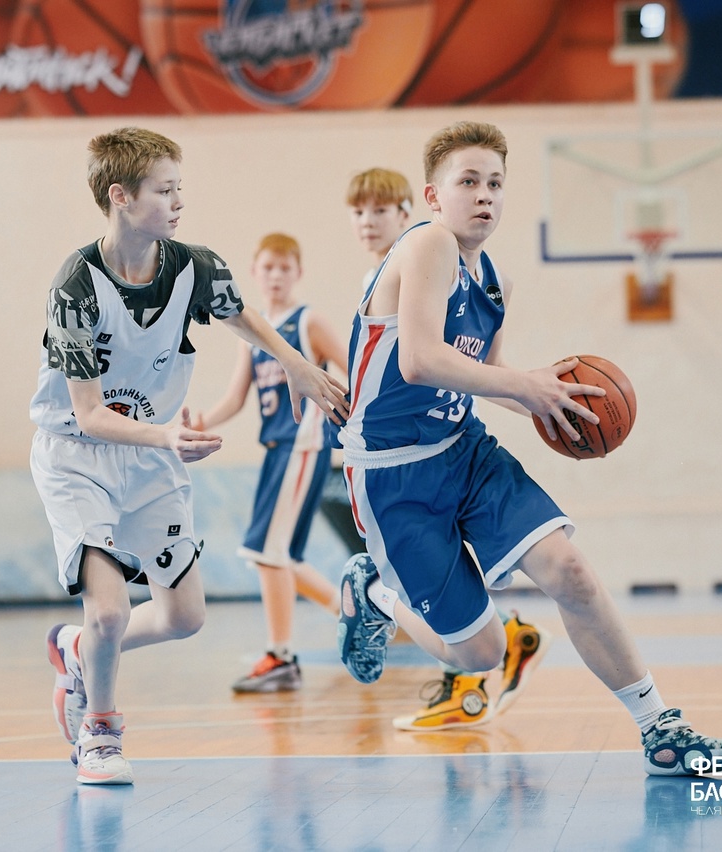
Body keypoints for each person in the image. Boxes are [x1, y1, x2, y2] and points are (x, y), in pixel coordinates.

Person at [335, 121, 722, 775]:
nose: (485, 195)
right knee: (481, 655)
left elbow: (486, 375)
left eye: (496, 183)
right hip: (393, 475)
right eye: (468, 181)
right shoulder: (428, 244)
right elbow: (419, 360)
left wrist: (548, 400)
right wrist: (523, 384)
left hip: (464, 451)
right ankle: (376, 594)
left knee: (570, 572)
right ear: (433, 196)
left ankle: (660, 728)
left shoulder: (493, 279)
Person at [29, 127, 349, 785]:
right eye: (164, 191)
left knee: (185, 616)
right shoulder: (76, 286)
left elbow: (241, 315)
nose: (179, 203)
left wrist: (293, 361)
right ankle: (100, 732)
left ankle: (77, 648)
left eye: (180, 189)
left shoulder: (192, 267)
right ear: (120, 196)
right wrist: (168, 436)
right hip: (78, 456)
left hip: (148, 455)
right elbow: (89, 413)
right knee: (110, 609)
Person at [346, 167, 551, 732]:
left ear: (414, 208)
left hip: (450, 446)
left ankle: (479, 664)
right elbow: (386, 366)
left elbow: (480, 370)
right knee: (442, 582)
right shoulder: (396, 272)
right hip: (391, 457)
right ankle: (487, 652)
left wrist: (544, 402)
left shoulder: (454, 263)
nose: (368, 222)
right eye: (359, 212)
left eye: (381, 210)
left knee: (463, 571)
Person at [191, 233, 344, 693]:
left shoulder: (309, 321)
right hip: (277, 449)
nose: (276, 276)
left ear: (298, 273)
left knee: (267, 553)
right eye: (268, 268)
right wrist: (200, 422)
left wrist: (354, 424)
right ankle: (357, 612)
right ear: (254, 273)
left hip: (304, 444)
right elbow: (237, 397)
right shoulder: (253, 331)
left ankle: (281, 656)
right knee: (281, 558)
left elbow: (354, 371)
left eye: (284, 268)